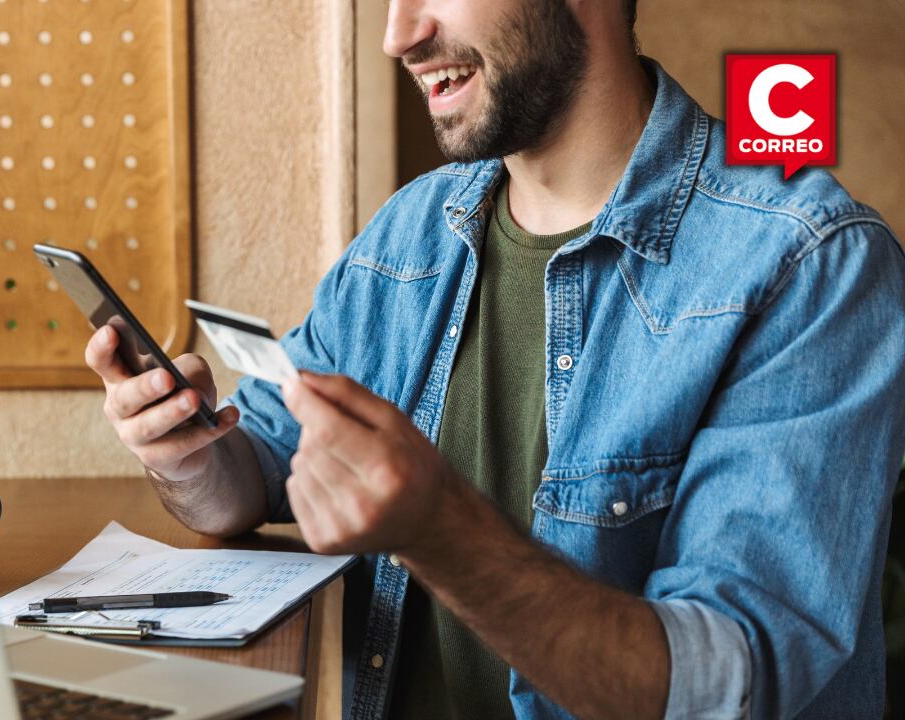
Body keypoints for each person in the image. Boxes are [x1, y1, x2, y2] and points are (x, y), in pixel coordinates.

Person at [84, 0, 905, 717]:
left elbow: (727, 686)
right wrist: (188, 452)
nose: (398, 34)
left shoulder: (810, 263)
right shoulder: (413, 230)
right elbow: (258, 473)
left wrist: (439, 529)